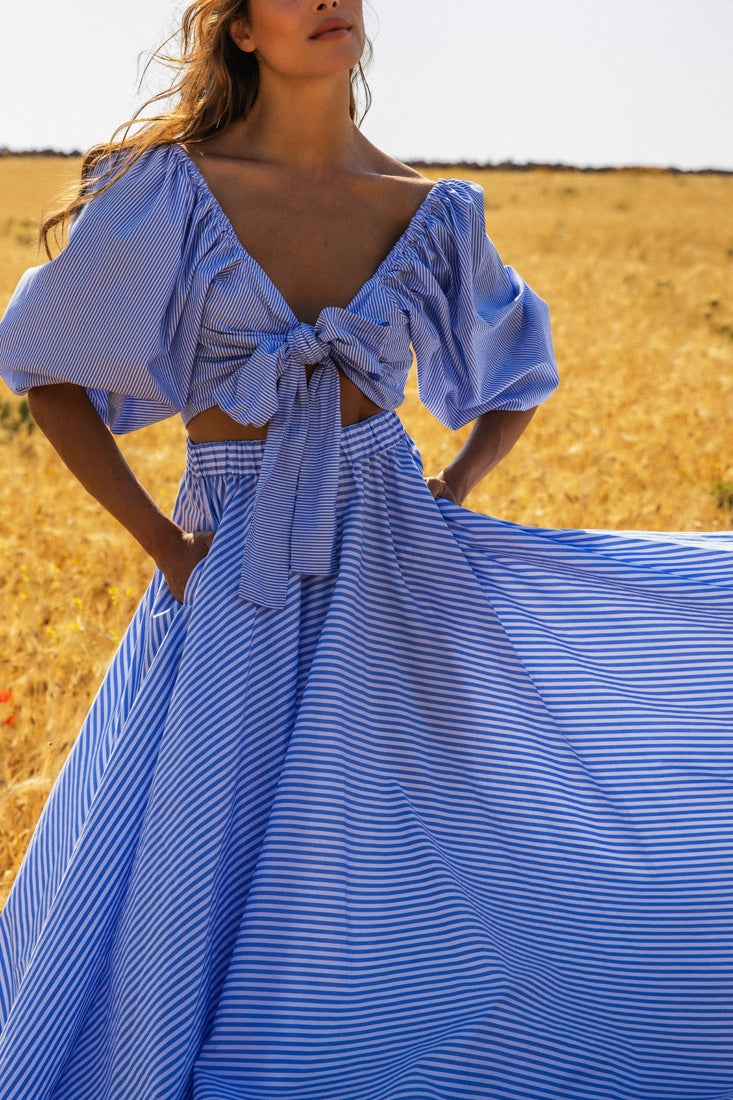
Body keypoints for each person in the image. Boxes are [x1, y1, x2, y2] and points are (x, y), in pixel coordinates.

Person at [0, 1, 732, 1097]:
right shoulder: (165, 188)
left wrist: (451, 488)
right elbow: (46, 370)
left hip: (394, 563)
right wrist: (163, 543)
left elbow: (515, 378)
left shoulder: (428, 209)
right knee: (207, 847)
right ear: (241, 29)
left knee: (398, 842)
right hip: (232, 567)